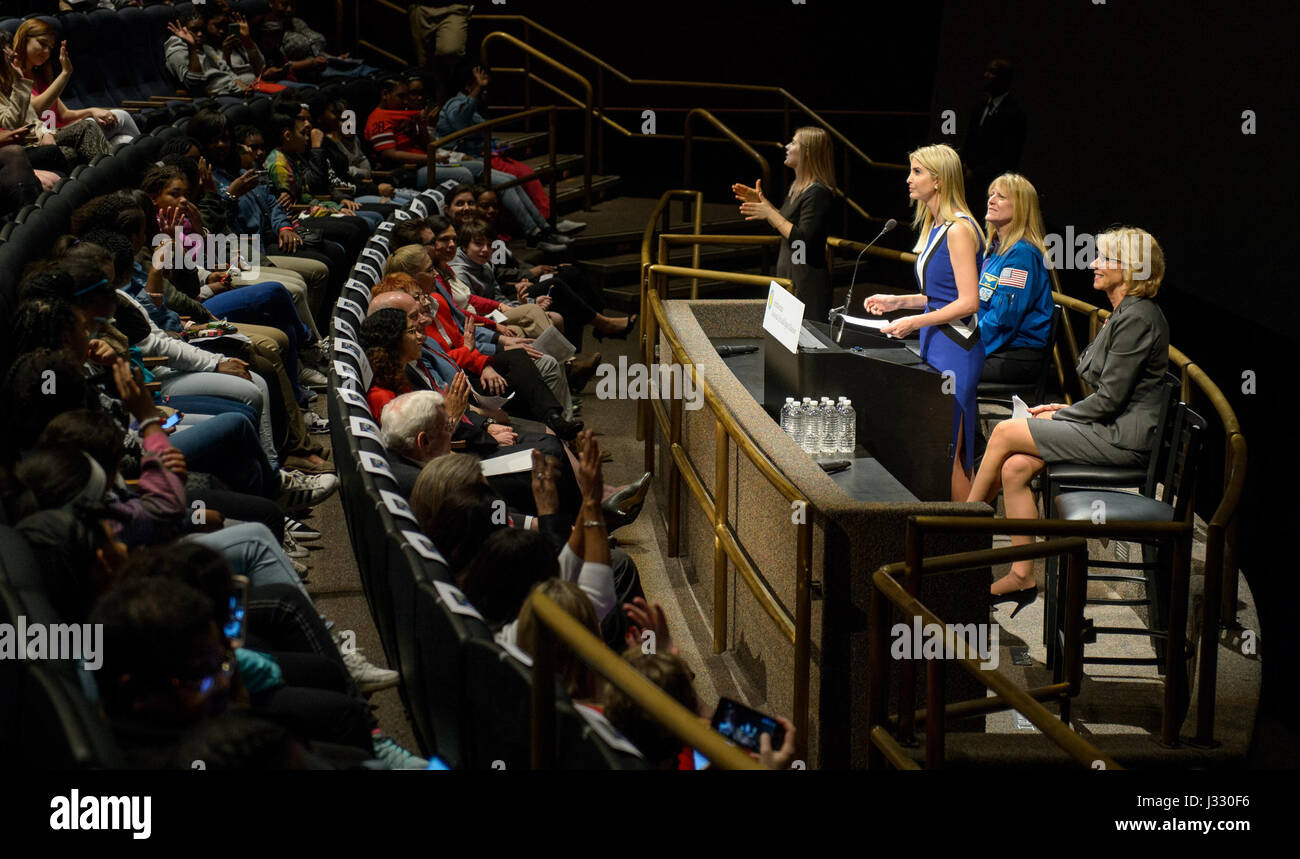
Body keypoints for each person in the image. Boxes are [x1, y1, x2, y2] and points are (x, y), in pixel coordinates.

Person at [967, 228, 1169, 607]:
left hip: (1121, 439)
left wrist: (1064, 416)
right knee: (1015, 469)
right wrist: (1064, 410)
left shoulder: (1138, 318)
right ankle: (1021, 576)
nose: (1093, 264)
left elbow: (1109, 401)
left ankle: (960, 536)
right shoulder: (1124, 312)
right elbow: (1109, 394)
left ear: (1131, 269)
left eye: (1105, 259)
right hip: (1108, 426)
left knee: (1005, 433)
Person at [863, 143, 986, 502]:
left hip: (957, 349)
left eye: (916, 172)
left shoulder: (959, 229)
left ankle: (967, 544)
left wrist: (913, 322)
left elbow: (968, 301)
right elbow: (940, 295)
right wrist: (897, 302)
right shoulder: (936, 226)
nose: (908, 179)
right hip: (937, 343)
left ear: (939, 179)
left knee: (950, 456)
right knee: (941, 450)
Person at [733, 126, 837, 322]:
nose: (787, 146)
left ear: (808, 152)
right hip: (789, 277)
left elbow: (802, 240)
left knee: (803, 346)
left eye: (794, 142)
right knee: (781, 346)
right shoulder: (798, 188)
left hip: (806, 283)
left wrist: (769, 213)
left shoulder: (818, 193)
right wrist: (764, 205)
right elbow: (789, 226)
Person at [13, 19, 141, 147]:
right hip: (48, 137)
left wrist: (92, 110)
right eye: (42, 44)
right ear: (24, 40)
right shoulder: (13, 75)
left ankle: (156, 164)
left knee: (124, 140)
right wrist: (65, 73)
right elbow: (35, 109)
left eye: (50, 48)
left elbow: (64, 115)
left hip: (64, 130)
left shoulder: (40, 77)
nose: (46, 52)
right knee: (121, 116)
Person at [978, 173, 1055, 384]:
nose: (991, 200)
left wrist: (967, 345)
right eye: (991, 194)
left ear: (1020, 208)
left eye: (1001, 196)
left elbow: (1005, 318)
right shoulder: (995, 250)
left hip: (1017, 354)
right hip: (996, 345)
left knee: (943, 371)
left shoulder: (1022, 254)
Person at [961, 59, 1027, 211]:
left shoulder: (1014, 114)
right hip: (967, 183)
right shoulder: (979, 107)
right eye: (987, 71)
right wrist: (963, 166)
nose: (986, 75)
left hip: (992, 185)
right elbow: (969, 140)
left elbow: (1008, 156)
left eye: (992, 72)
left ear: (1004, 79)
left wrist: (976, 174)